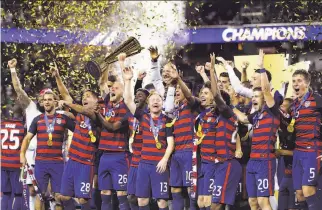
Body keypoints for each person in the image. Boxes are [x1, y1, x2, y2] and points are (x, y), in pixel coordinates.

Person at [233, 50, 281, 210]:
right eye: (252, 96)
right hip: (252, 161)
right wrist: (228, 106)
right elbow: (243, 118)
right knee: (253, 203)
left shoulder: (273, 111)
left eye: (256, 97)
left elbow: (267, 91)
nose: (253, 98)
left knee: (263, 202)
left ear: (265, 99)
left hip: (265, 160)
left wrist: (261, 67)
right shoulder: (257, 116)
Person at [123, 66, 175, 210]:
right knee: (142, 200)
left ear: (162, 102)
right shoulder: (143, 117)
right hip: (144, 164)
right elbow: (128, 101)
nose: (156, 101)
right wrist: (127, 80)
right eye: (152, 99)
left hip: (160, 165)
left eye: (158, 99)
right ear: (148, 103)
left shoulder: (167, 120)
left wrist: (164, 159)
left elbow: (170, 144)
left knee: (162, 201)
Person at [20, 91, 75, 210]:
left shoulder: (63, 119)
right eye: (45, 100)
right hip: (41, 162)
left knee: (58, 196)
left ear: (55, 102)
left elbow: (79, 131)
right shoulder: (37, 120)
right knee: (40, 196)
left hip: (58, 162)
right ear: (42, 102)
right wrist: (22, 154)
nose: (47, 102)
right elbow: (27, 138)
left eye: (50, 99)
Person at [208, 53, 243, 210]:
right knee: (219, 204)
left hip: (228, 163)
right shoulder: (221, 117)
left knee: (216, 204)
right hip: (222, 164)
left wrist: (212, 70)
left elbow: (216, 94)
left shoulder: (227, 113)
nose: (214, 102)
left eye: (218, 102)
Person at [165, 63, 198, 210]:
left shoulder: (192, 104)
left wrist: (178, 79)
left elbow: (190, 96)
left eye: (180, 88)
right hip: (176, 153)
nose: (178, 90)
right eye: (177, 89)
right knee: (175, 189)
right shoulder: (175, 109)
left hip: (189, 152)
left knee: (191, 188)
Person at [291, 69, 322, 210]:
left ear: (307, 83)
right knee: (299, 193)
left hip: (312, 150)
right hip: (298, 151)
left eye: (299, 81)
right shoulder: (295, 104)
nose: (295, 84)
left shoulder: (316, 99)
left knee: (308, 189)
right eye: (293, 81)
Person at [127, 87, 149, 210]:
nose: (137, 97)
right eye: (136, 95)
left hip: (147, 159)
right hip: (134, 160)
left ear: (147, 99)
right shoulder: (130, 116)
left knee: (147, 197)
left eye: (140, 95)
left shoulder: (149, 114)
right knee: (131, 196)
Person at [1, 103, 25, 210]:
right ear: (22, 113)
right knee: (18, 194)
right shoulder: (22, 127)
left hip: (3, 162)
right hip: (16, 164)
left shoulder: (1, 125)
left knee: (6, 194)